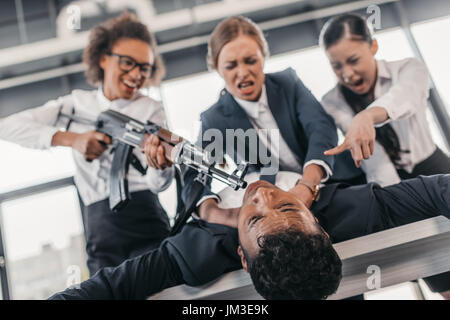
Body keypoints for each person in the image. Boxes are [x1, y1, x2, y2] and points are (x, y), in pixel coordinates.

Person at [49, 172, 450, 300]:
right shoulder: (359, 212)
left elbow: (106, 289)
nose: (262, 198)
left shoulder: (196, 252)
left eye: (254, 219)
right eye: (289, 207)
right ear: (321, 229)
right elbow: (440, 191)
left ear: (242, 256)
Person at [0, 12, 174, 275]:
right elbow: (7, 127)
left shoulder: (151, 109)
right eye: (128, 63)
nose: (136, 74)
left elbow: (158, 184)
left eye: (144, 68)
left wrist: (159, 166)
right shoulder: (75, 105)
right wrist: (73, 139)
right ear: (103, 58)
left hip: (147, 221)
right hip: (100, 235)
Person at [160, 15, 361, 226]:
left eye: (250, 61)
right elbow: (197, 173)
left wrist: (307, 185)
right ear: (217, 68)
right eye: (231, 66)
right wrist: (214, 213)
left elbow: (320, 128)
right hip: (278, 214)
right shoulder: (215, 119)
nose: (243, 73)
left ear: (263, 57)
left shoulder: (288, 83)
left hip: (332, 183)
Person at [319, 13, 450, 186]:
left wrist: (367, 116)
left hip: (435, 165)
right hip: (387, 177)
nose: (347, 74)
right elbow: (374, 160)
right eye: (336, 66)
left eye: (354, 60)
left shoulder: (409, 68)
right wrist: (392, 195)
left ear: (373, 46)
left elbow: (403, 98)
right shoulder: (332, 101)